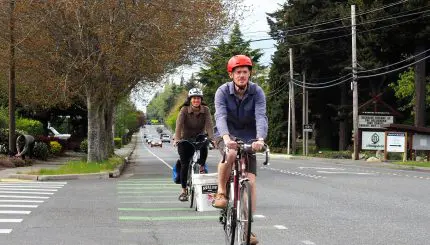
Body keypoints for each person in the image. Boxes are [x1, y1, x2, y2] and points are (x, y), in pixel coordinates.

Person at [212, 54, 268, 245]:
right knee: (231, 153)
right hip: (224, 133)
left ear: (249, 74)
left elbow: (261, 116)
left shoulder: (257, 92)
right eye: (238, 72)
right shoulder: (222, 92)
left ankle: (248, 228)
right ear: (231, 75)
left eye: (245, 72)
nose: (242, 75)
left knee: (250, 183)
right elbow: (220, 116)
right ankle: (221, 191)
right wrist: (226, 138)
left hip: (249, 136)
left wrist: (260, 139)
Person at [174, 88, 214, 202]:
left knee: (204, 146)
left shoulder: (205, 110)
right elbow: (179, 126)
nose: (196, 100)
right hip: (185, 138)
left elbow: (209, 125)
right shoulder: (184, 110)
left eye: (198, 98)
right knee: (185, 164)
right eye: (194, 98)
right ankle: (183, 191)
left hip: (199, 137)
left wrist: (212, 139)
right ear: (190, 100)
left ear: (201, 100)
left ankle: (201, 167)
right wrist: (177, 139)